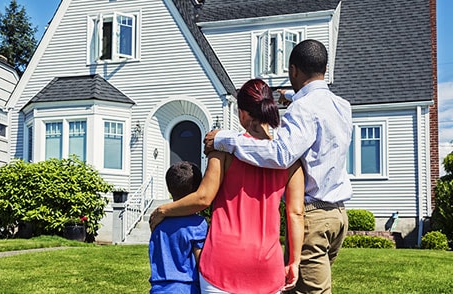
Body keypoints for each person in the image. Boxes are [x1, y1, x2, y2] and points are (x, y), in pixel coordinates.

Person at [204, 39, 353, 294]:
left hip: (313, 216)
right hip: (338, 217)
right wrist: (290, 96)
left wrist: (223, 139)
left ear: (293, 70)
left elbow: (280, 153)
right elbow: (316, 102)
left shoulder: (302, 109)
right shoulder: (342, 106)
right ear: (324, 69)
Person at [150, 79, 305, 294]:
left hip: (222, 264)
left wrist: (162, 210)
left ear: (242, 114)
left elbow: (203, 199)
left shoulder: (223, 150)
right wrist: (294, 261)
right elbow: (296, 213)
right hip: (268, 267)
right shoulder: (290, 161)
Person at [148, 161, 208, 294]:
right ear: (197, 190)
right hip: (188, 288)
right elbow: (202, 263)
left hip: (159, 288)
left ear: (169, 189)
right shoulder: (198, 224)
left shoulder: (158, 221)